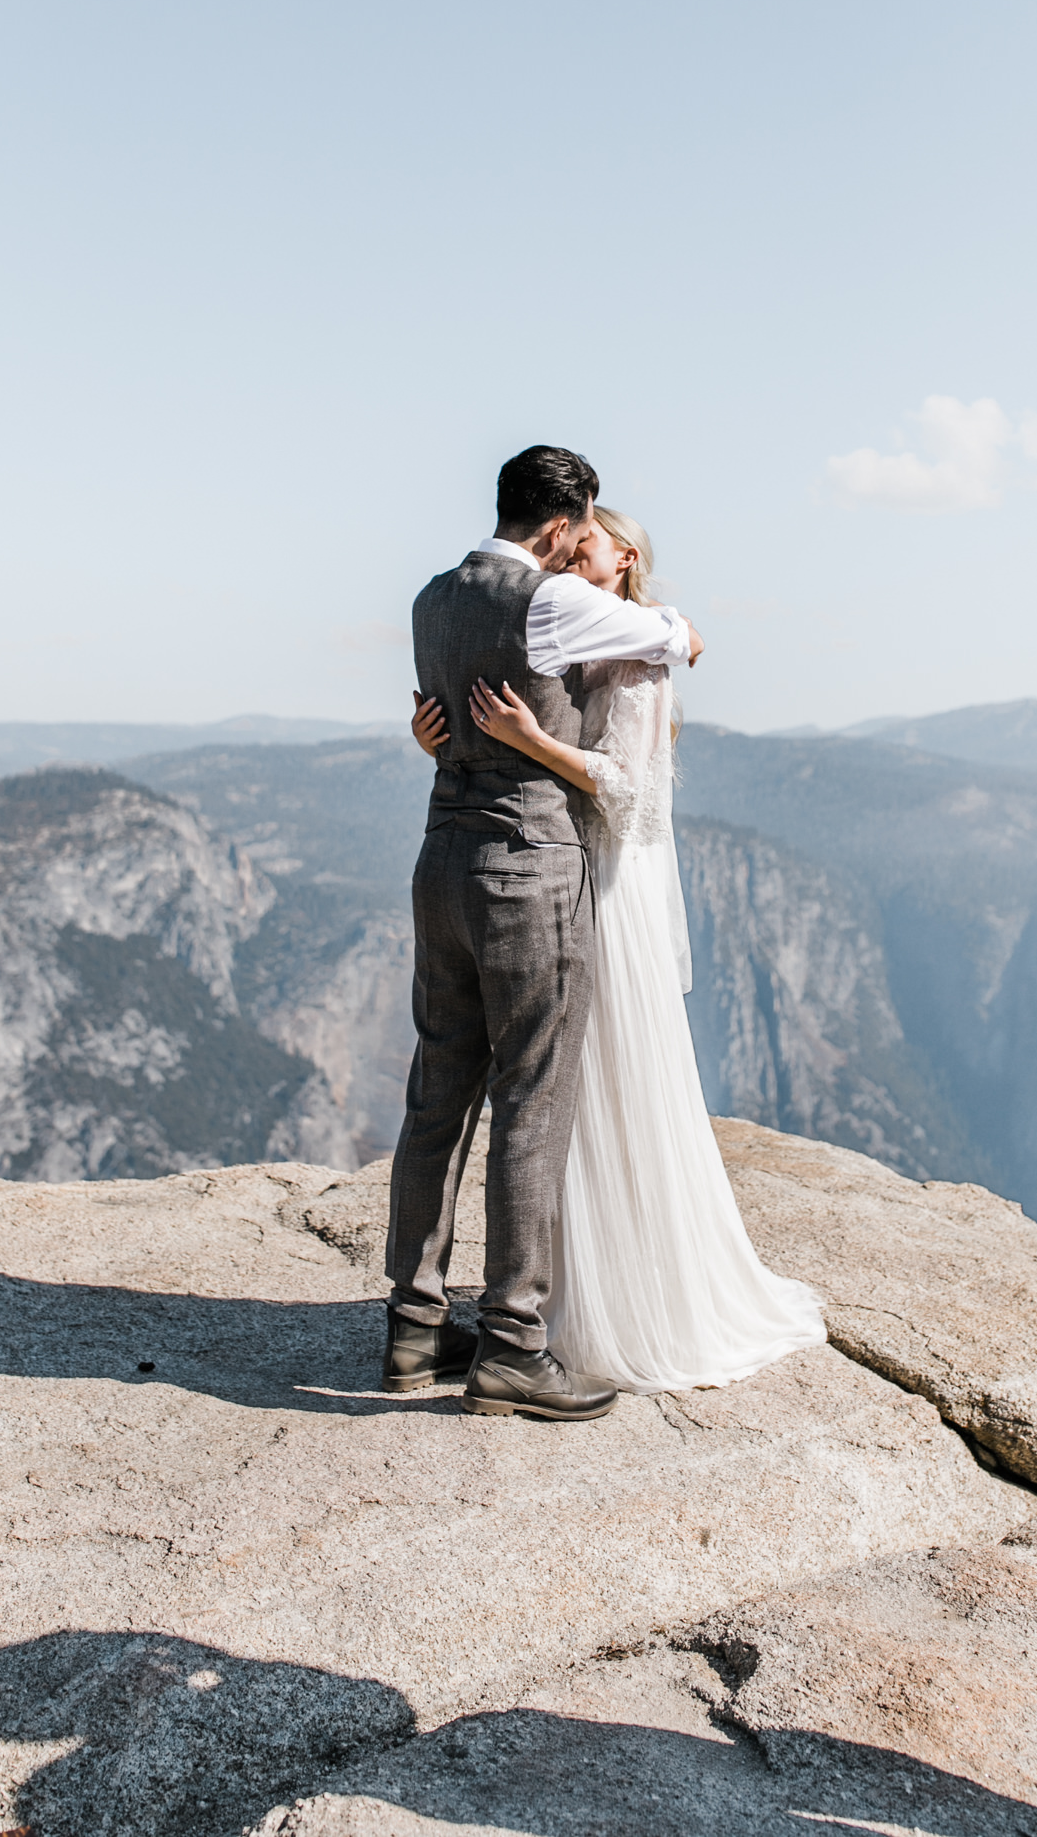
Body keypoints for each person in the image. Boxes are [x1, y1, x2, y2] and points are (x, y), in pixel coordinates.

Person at [414, 503, 825, 1394]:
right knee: (556, 1090)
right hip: (550, 872)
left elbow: (629, 792)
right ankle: (545, 1302)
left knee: (581, 1084)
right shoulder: (562, 630)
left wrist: (531, 741)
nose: (568, 556)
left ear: (621, 555)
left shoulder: (637, 656)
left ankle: (605, 1299)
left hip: (602, 879)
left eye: (587, 545)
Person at [384, 445, 703, 1421]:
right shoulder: (554, 601)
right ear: (562, 528)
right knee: (530, 1099)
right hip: (525, 872)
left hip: (439, 861)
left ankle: (412, 1326)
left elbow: (440, 719)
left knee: (437, 1093)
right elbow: (678, 637)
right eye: (581, 531)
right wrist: (665, 622)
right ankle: (515, 1342)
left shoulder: (431, 599)